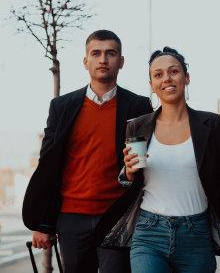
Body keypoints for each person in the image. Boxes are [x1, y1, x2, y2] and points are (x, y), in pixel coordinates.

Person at [92, 46, 220, 273]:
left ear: (186, 77)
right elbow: (126, 179)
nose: (167, 78)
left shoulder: (211, 124)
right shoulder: (137, 127)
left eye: (174, 71)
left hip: (197, 233)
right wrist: (129, 172)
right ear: (152, 85)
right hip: (149, 231)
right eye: (158, 74)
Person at [22, 30, 153, 273]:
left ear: (121, 61)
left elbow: (144, 165)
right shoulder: (61, 107)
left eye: (110, 53)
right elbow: (49, 167)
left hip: (117, 216)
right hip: (71, 218)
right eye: (96, 53)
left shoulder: (139, 105)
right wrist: (43, 223)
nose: (103, 59)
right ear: (86, 61)